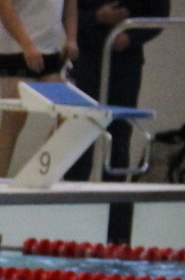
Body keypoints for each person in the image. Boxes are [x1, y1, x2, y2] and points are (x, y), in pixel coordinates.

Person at [69, 0, 169, 178]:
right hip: (87, 56)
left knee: (120, 134)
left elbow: (159, 16)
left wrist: (131, 38)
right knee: (79, 131)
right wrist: (96, 17)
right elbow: (67, 13)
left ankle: (115, 202)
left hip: (126, 61)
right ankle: (73, 199)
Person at [0, 0, 79, 176]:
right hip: (16, 51)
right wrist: (27, 45)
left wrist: (71, 39)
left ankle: (36, 173)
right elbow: (3, 8)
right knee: (14, 120)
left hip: (49, 52)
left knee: (69, 117)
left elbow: (70, 6)